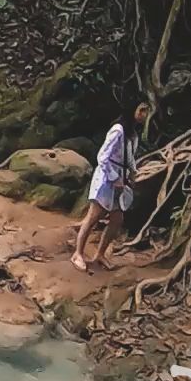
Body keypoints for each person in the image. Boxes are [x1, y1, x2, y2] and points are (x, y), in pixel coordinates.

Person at [72, 102, 150, 273]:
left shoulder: (132, 134)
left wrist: (133, 172)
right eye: (141, 110)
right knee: (93, 216)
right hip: (107, 179)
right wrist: (114, 178)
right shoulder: (118, 130)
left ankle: (99, 254)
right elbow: (102, 156)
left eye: (146, 111)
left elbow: (128, 157)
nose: (144, 115)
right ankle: (77, 253)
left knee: (117, 219)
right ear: (132, 110)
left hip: (120, 180)